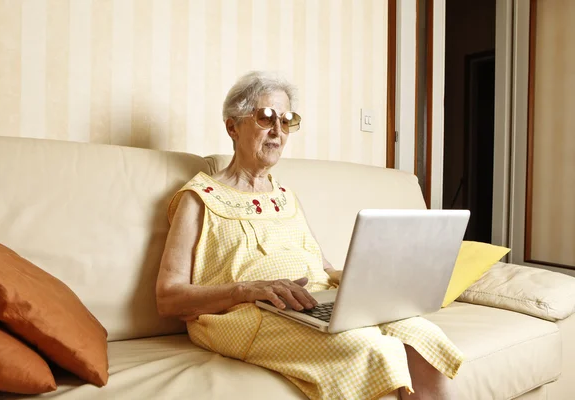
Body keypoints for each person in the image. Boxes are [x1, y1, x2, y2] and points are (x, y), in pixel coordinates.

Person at [156, 71, 463, 400]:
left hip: (311, 303)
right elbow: (168, 297)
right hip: (246, 313)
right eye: (266, 118)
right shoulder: (198, 197)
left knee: (422, 336)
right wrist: (246, 290)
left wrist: (362, 280)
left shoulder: (286, 196)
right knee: (372, 351)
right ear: (233, 127)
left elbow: (322, 265)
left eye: (287, 121)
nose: (278, 131)